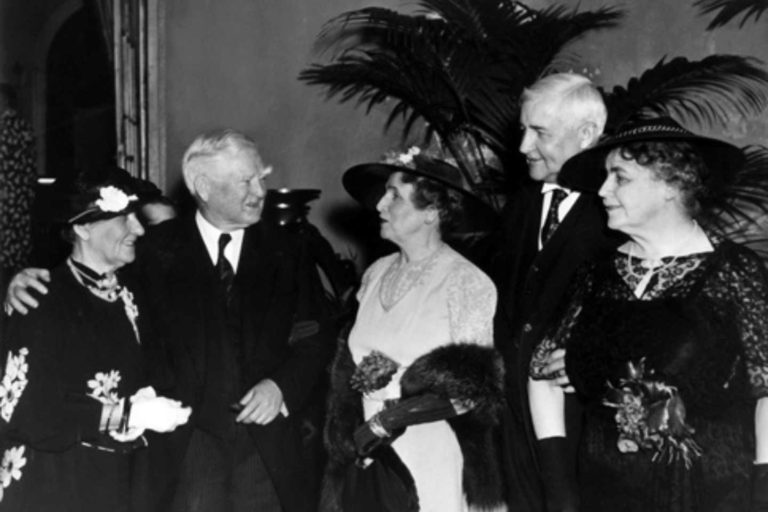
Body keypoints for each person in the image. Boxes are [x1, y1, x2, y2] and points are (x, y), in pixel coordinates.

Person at [3, 130, 336, 512]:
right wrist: (14, 281)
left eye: (261, 178)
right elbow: (85, 274)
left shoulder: (289, 251)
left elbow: (316, 336)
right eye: (247, 180)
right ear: (203, 186)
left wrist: (281, 386)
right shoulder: (151, 251)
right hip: (181, 451)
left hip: (267, 450)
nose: (260, 191)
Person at [528, 117, 768, 512]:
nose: (602, 191)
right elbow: (541, 372)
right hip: (606, 486)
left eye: (619, 178)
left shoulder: (733, 271)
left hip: (710, 488)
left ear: (671, 185)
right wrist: (558, 487)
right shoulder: (595, 273)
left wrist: (763, 492)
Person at [321, 148, 506, 512]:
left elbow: (474, 391)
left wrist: (390, 421)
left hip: (429, 451)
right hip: (365, 456)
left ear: (432, 213)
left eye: (395, 196)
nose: (380, 206)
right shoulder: (375, 273)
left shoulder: (466, 282)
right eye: (384, 194)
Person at [0, 167, 191, 511]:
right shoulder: (40, 297)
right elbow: (26, 413)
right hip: (54, 486)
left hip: (118, 483)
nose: (137, 228)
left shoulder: (133, 292)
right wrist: (125, 414)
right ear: (82, 227)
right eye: (124, 218)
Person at [489, 72, 619, 510]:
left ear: (587, 134)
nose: (524, 147)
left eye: (539, 132)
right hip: (514, 415)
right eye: (523, 130)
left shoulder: (620, 212)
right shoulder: (521, 202)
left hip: (586, 419)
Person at [0, 84, 35, 294]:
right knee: (15, 259)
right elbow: (31, 167)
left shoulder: (5, 129)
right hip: (19, 201)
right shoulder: (25, 127)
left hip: (6, 203)